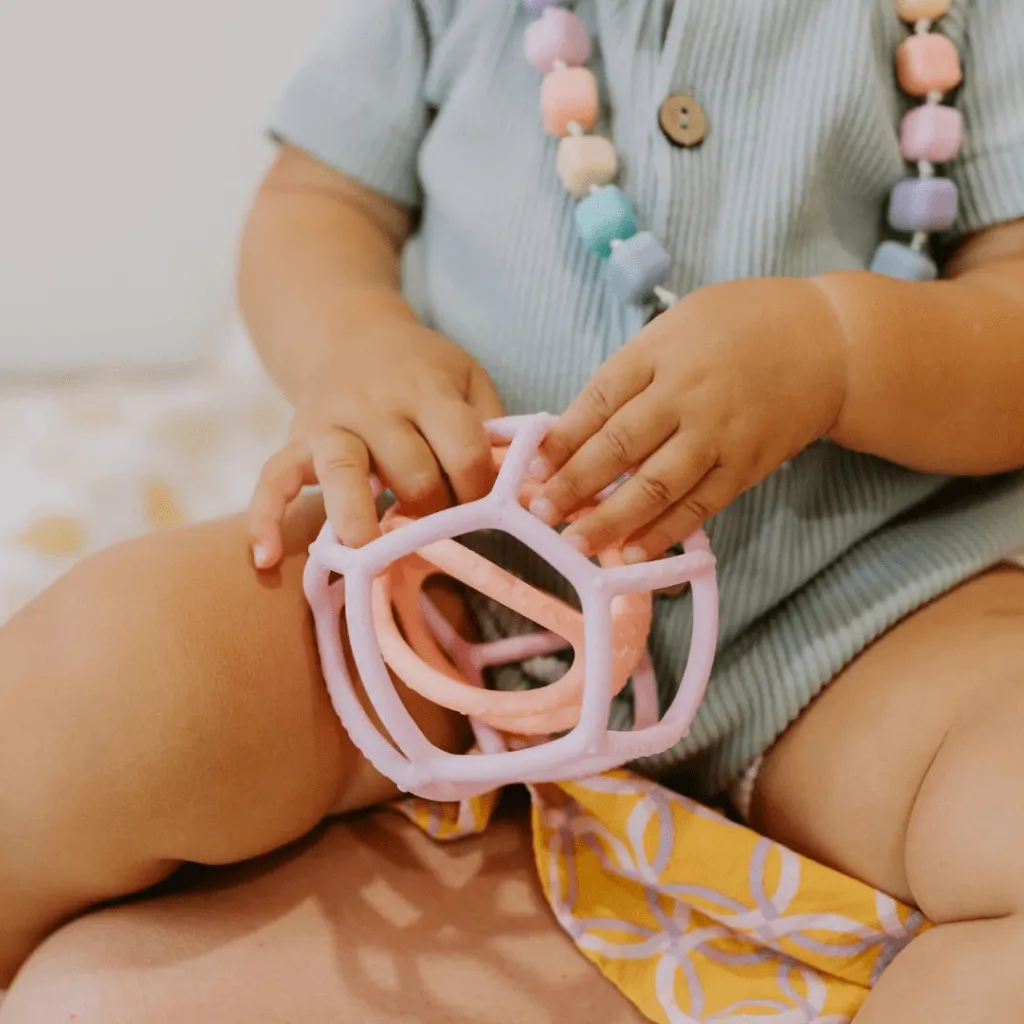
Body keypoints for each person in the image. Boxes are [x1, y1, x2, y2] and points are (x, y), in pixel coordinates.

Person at [3, 2, 1024, 1020]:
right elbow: (318, 201)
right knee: (116, 667)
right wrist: (353, 342)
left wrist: (839, 351)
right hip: (448, 574)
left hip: (858, 618)